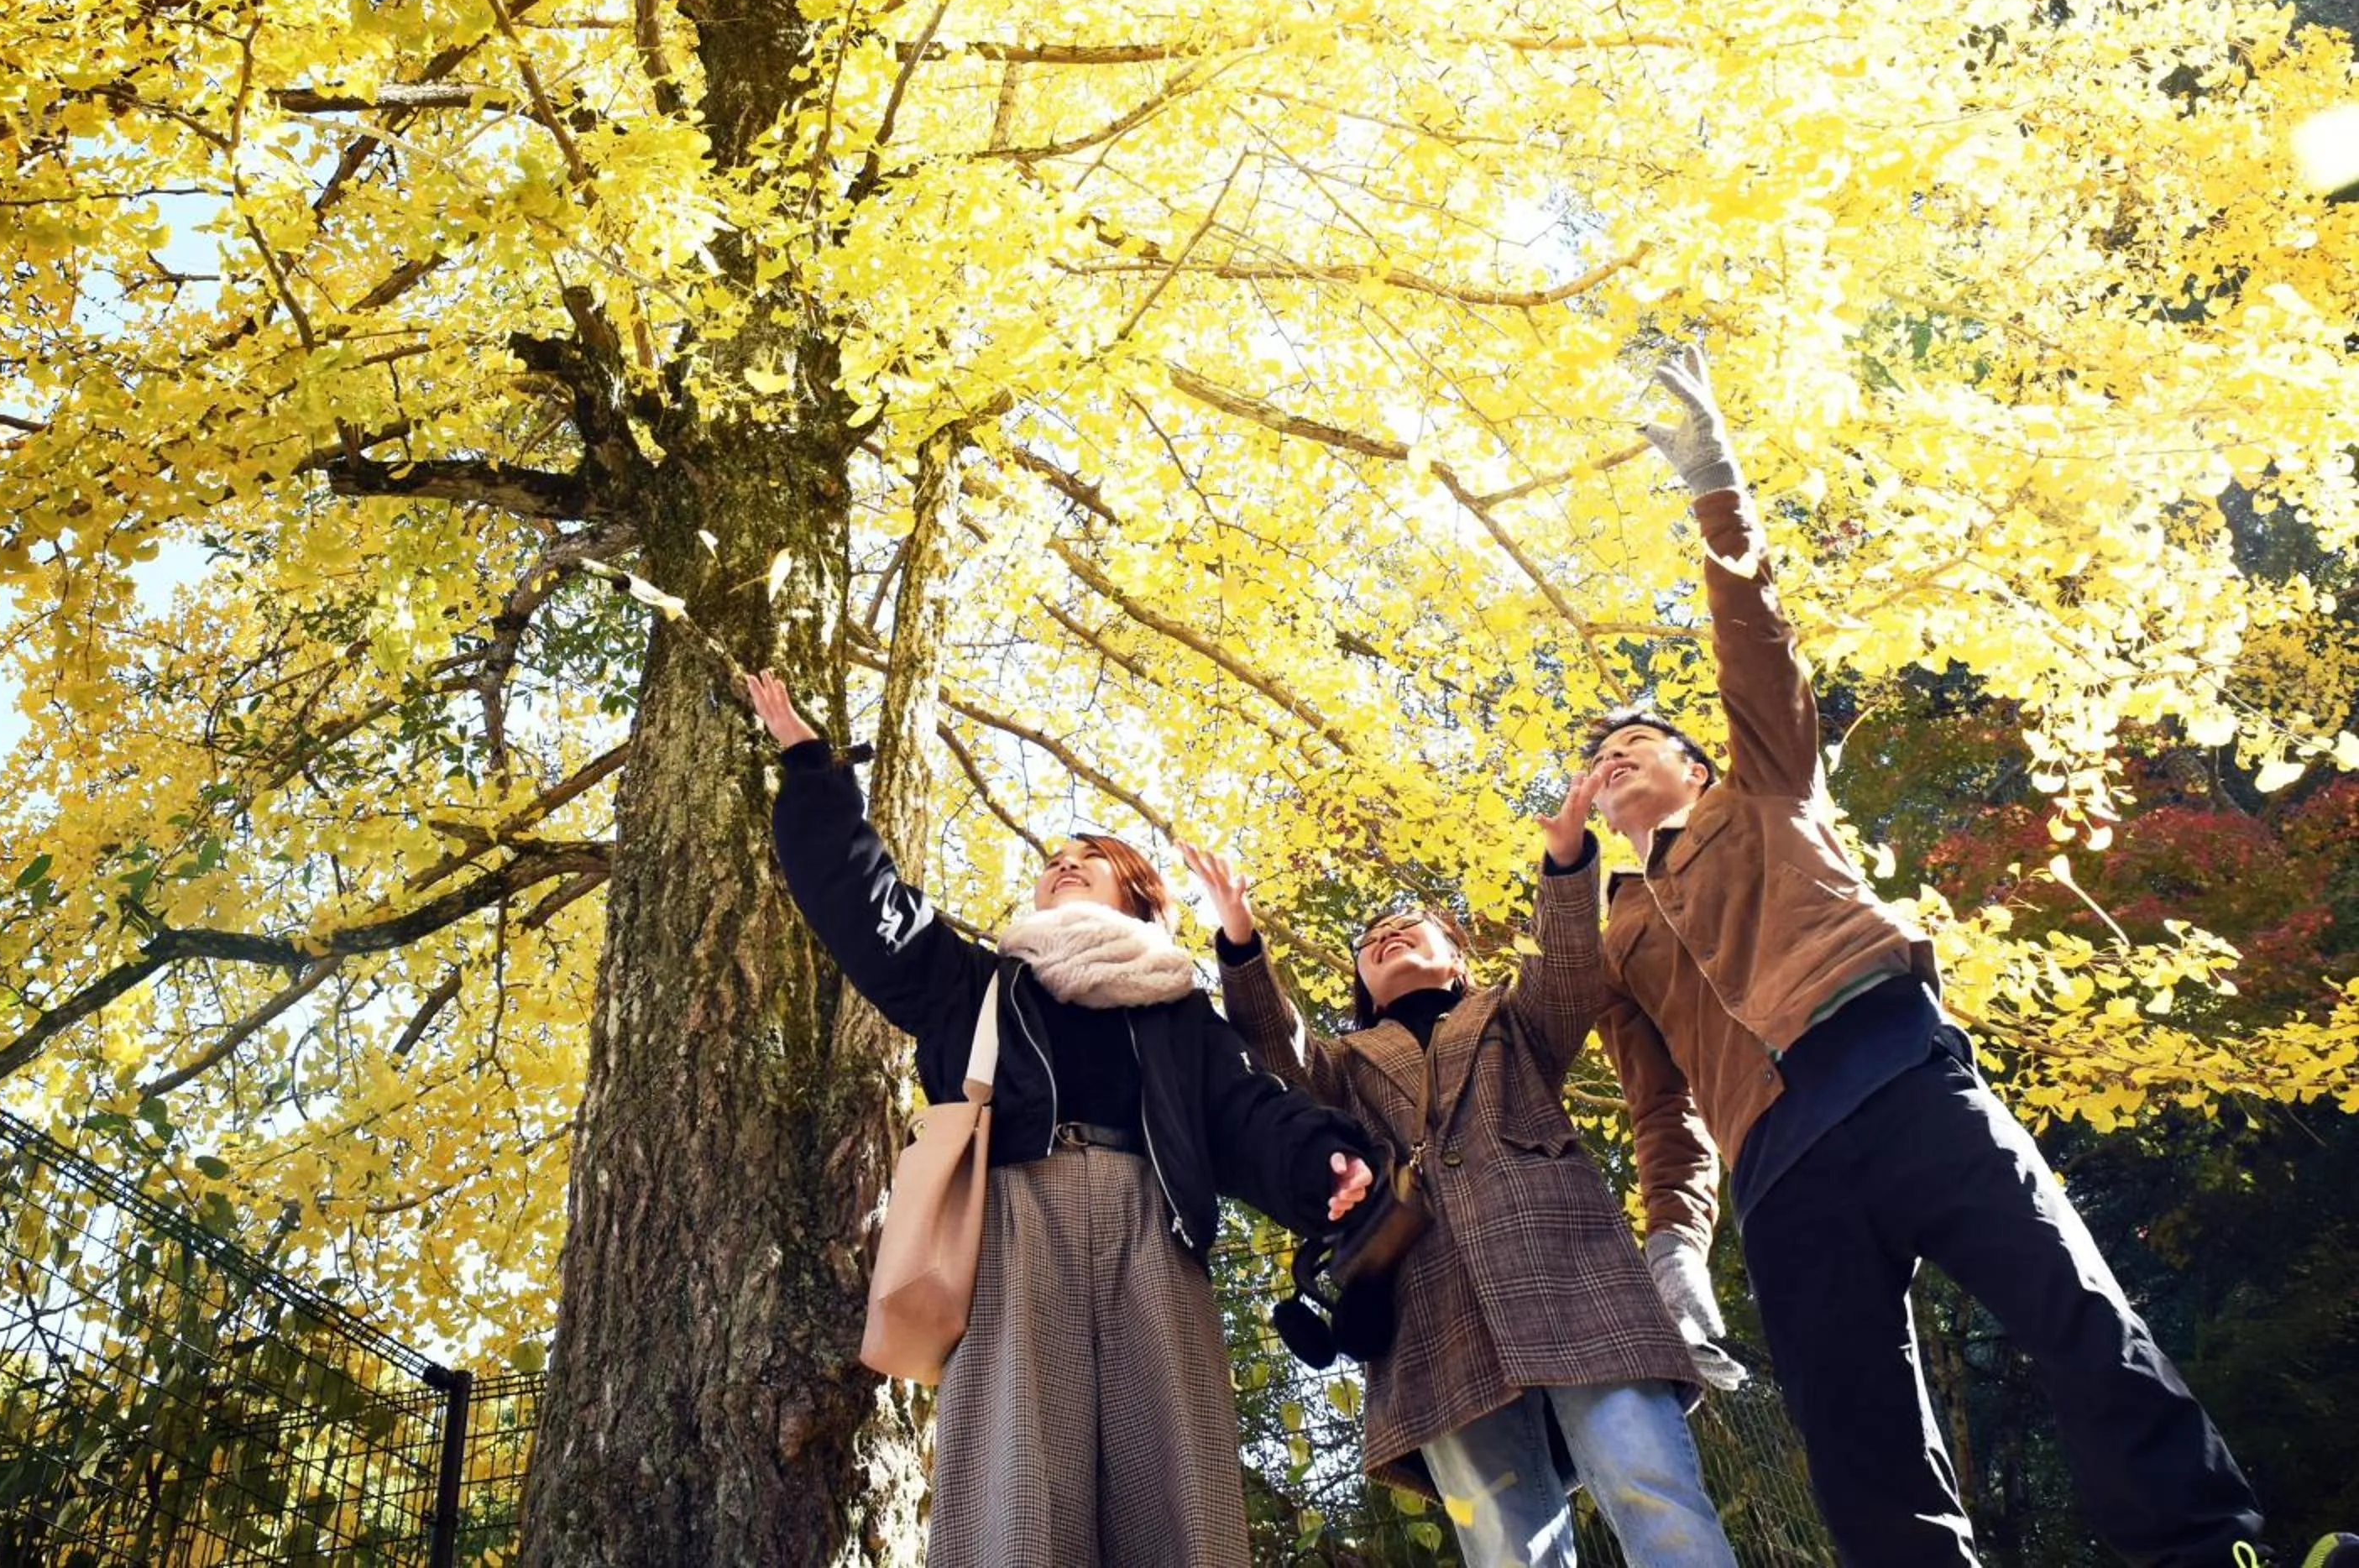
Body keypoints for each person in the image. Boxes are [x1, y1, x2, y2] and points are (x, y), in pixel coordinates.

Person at [1590, 345, 2310, 1568]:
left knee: (2071, 1307)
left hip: (1892, 1068)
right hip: (1775, 1163)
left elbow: (1753, 638)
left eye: (1634, 741)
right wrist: (1674, 1249)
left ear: (1695, 762)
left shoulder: (1765, 783)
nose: (1607, 756)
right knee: (1857, 1444)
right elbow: (1663, 1115)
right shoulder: (1608, 934)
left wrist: (1714, 480)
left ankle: (2201, 1548)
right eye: (1591, 757)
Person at [745, 672, 1376, 1568]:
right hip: (1008, 1225)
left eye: (1093, 858)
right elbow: (866, 906)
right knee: (1014, 1493)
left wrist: (1323, 1164)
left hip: (1152, 1229)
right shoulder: (973, 982)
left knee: (1182, 1494)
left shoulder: (1176, 1007)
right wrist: (812, 771)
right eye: (1054, 860)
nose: (1064, 864)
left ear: (1139, 897)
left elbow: (1244, 1109)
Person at [1193, 763, 1740, 1568]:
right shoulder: (1345, 1066)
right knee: (1507, 1550)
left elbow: (1565, 973)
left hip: (1574, 1278)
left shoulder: (1513, 1020)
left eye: (1410, 928)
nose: (1386, 937)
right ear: (1365, 990)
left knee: (1654, 1491)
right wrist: (1241, 941)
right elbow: (1281, 1054)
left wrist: (1565, 865)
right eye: (1371, 945)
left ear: (1455, 958)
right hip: (1425, 1313)